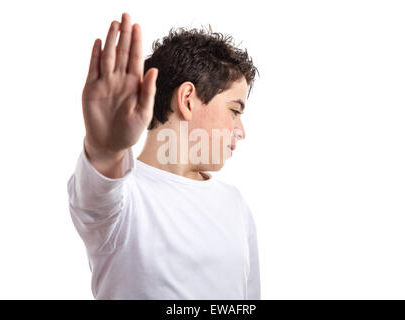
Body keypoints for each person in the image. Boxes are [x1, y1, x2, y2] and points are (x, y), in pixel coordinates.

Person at [67, 12, 261, 300]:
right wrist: (105, 148)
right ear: (187, 100)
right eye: (235, 110)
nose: (241, 130)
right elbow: (96, 193)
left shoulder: (235, 205)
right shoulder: (122, 198)